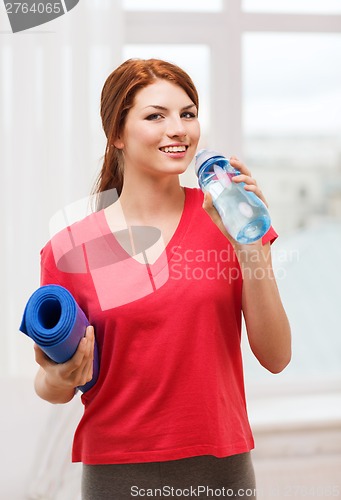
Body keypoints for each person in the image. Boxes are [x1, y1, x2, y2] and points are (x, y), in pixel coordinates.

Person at [33, 58, 291, 499]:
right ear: (117, 133)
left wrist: (252, 249)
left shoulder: (230, 218)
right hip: (117, 472)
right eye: (156, 115)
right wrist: (61, 378)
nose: (179, 129)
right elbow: (49, 380)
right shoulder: (70, 249)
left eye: (188, 114)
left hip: (221, 468)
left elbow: (276, 355)